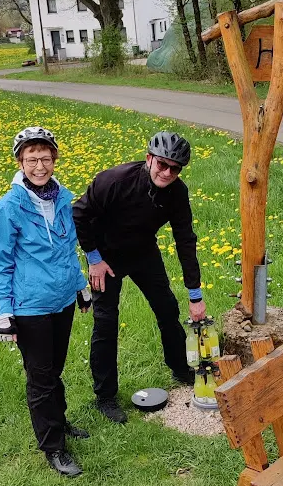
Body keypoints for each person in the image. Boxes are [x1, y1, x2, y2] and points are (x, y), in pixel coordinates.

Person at [72, 131, 206, 424]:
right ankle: (105, 397)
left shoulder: (177, 192)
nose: (167, 172)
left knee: (167, 308)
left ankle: (180, 367)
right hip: (105, 256)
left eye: (175, 168)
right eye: (162, 164)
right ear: (149, 159)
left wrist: (195, 294)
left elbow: (185, 240)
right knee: (106, 322)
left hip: (143, 251)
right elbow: (78, 215)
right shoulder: (114, 180)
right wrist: (93, 259)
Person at [0, 126, 91, 477]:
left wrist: (81, 286)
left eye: (45, 158)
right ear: (20, 162)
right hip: (30, 307)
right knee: (41, 377)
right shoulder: (7, 208)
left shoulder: (63, 198)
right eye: (32, 159)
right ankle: (53, 446)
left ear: (54, 159)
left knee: (54, 369)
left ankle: (58, 422)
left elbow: (67, 249)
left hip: (62, 302)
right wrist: (4, 312)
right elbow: (0, 265)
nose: (40, 166)